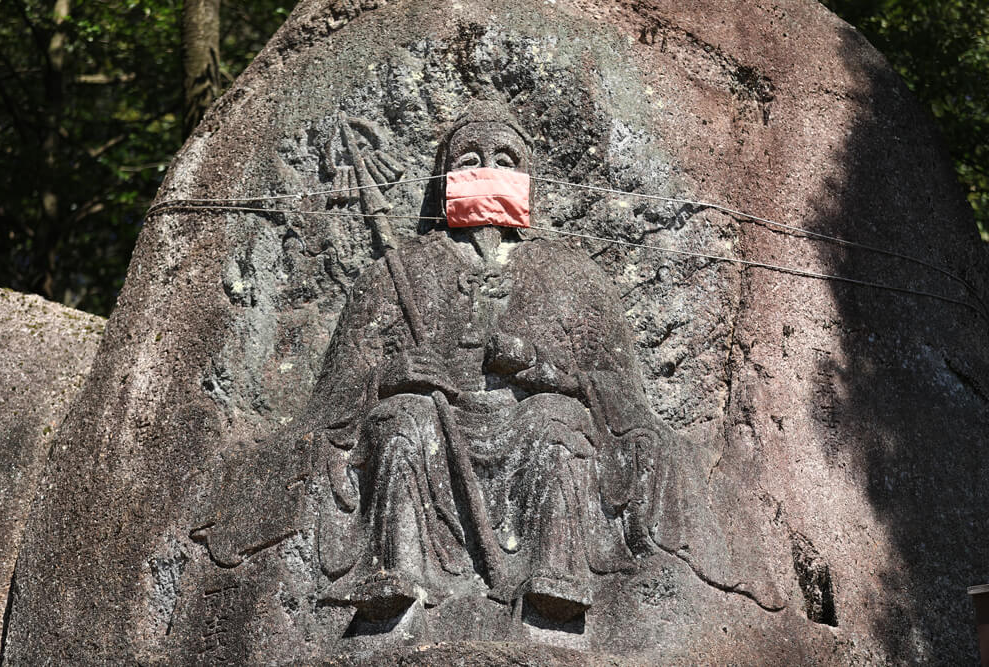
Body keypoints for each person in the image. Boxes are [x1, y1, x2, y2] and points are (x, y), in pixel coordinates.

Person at [195, 102, 719, 627]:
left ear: (529, 181)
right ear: (446, 178)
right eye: (470, 158)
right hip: (437, 423)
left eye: (505, 159)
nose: (488, 170)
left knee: (558, 424)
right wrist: (392, 374)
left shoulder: (572, 275)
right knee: (400, 419)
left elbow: (616, 387)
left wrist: (545, 369)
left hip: (527, 421)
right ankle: (393, 572)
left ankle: (556, 576)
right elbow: (336, 390)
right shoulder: (400, 272)